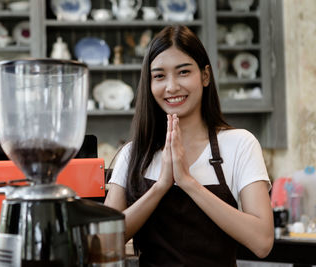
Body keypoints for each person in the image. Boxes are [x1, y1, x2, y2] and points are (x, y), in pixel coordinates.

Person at [104, 25, 274, 266]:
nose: (171, 86)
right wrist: (161, 187)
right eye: (159, 76)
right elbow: (102, 242)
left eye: (183, 72)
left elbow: (262, 242)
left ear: (205, 76)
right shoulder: (133, 153)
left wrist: (188, 183)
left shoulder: (240, 144)